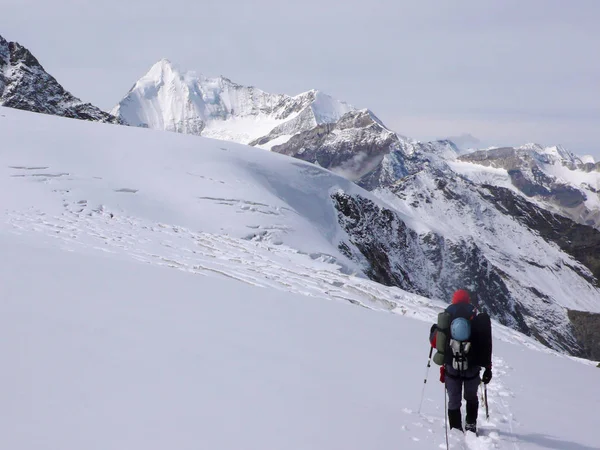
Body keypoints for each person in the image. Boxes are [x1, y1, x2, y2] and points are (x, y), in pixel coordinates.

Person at [429, 289, 492, 434]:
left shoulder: (447, 317)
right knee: (471, 397)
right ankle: (470, 424)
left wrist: (434, 330)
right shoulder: (475, 317)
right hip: (472, 366)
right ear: (467, 300)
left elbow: (435, 342)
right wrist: (488, 367)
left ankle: (455, 429)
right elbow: (485, 344)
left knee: (454, 399)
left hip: (452, 366)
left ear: (454, 300)